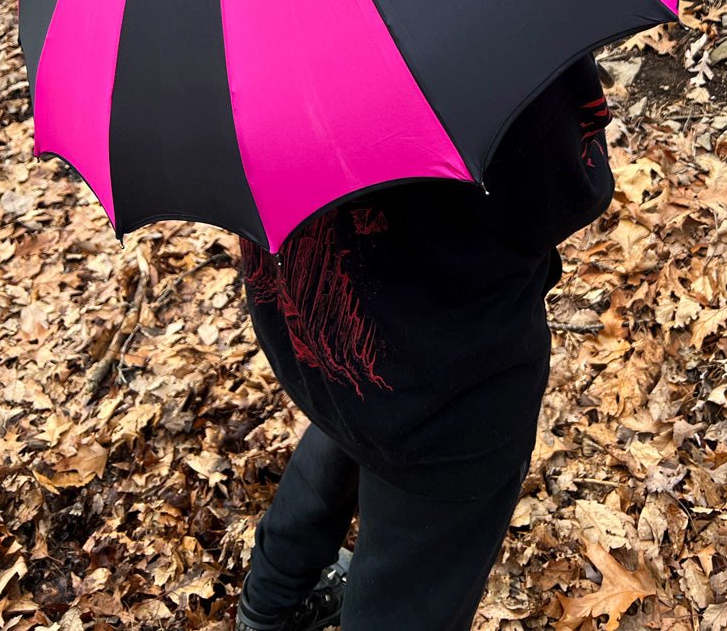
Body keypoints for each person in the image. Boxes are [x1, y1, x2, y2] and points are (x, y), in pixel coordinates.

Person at [234, 51, 615, 631]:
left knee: (343, 429)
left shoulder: (238, 22)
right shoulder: (485, 11)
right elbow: (567, 187)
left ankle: (274, 601)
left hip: (315, 331)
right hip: (447, 383)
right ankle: (283, 598)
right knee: (413, 586)